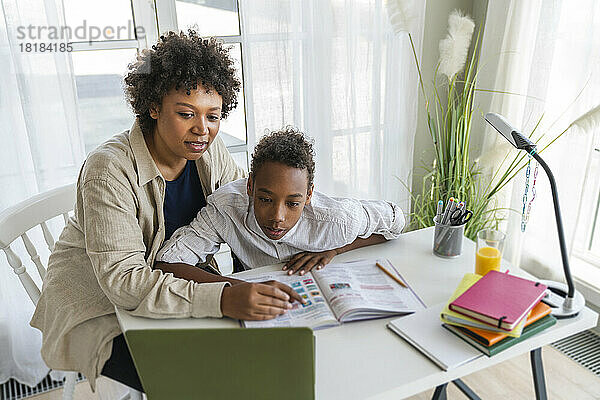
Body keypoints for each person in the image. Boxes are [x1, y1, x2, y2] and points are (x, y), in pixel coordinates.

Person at [30, 31, 302, 393]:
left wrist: (333, 236)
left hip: (170, 283)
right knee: (200, 383)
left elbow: (245, 210)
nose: (202, 130)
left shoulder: (209, 149)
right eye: (186, 114)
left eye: (213, 115)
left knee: (255, 361)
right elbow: (124, 283)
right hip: (101, 306)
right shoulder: (108, 169)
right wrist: (222, 296)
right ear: (154, 106)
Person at [154, 127, 405, 311]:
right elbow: (167, 262)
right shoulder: (226, 207)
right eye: (265, 199)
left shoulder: (337, 220)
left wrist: (337, 249)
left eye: (293, 203)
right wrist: (232, 287)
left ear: (308, 196)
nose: (277, 217)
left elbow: (397, 221)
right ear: (250, 186)